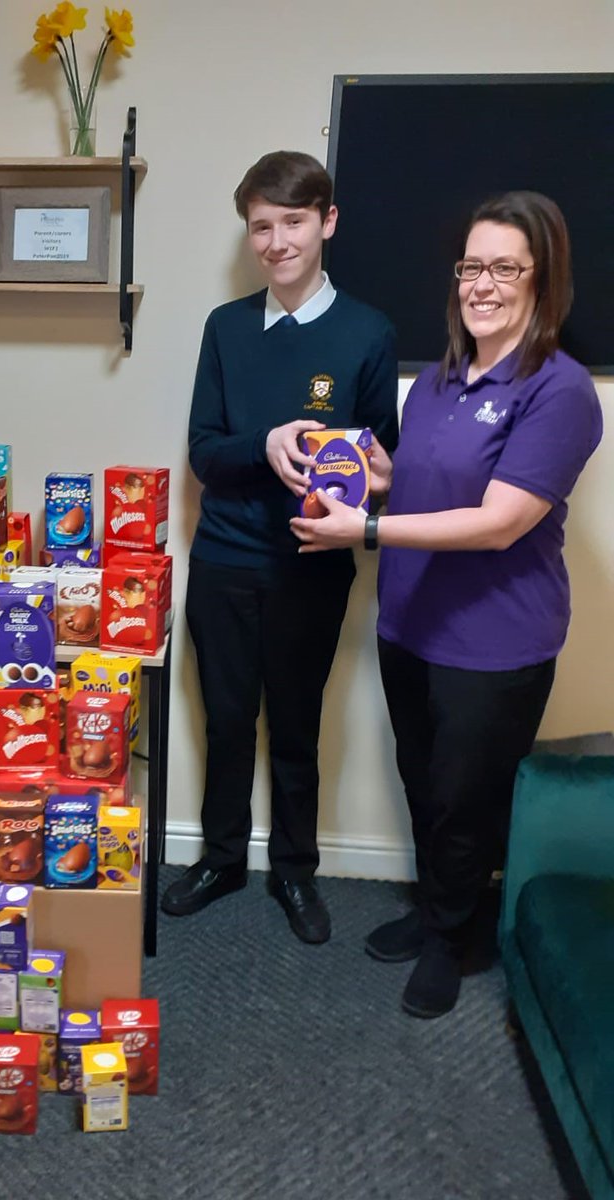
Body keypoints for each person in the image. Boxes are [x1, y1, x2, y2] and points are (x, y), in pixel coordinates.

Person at [290, 191, 602, 1015]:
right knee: (423, 783)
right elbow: (425, 482)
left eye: (505, 267)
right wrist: (358, 471)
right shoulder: (435, 380)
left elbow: (500, 522)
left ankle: (453, 942)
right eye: (471, 265)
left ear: (544, 279)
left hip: (495, 642)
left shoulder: (558, 390)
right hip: (411, 622)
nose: (482, 284)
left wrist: (365, 529)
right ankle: (438, 913)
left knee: (466, 800)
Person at [161, 151, 399, 942]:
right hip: (225, 558)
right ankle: (222, 858)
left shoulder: (368, 332)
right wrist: (261, 445)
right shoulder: (226, 328)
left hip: (311, 564)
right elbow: (202, 451)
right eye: (260, 226)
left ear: (325, 222)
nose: (275, 240)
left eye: (292, 221)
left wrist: (366, 475)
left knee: (295, 725)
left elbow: (381, 466)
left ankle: (295, 871)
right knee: (227, 721)